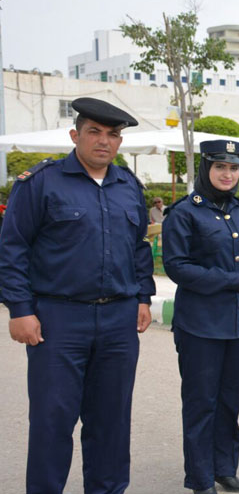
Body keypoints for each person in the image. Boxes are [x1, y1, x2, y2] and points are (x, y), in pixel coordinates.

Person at [0, 97, 155, 493]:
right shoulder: (40, 182)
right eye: (94, 132)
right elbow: (12, 247)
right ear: (75, 135)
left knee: (111, 420)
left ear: (120, 142)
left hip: (118, 320)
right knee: (53, 420)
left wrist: (143, 296)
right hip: (59, 319)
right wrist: (19, 309)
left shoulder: (128, 186)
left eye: (112, 135)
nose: (104, 141)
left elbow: (139, 247)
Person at [162, 140, 239, 494]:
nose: (228, 174)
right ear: (205, 168)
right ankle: (199, 478)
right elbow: (176, 267)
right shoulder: (184, 213)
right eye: (220, 167)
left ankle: (225, 468)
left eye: (234, 168)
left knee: (229, 401)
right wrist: (229, 281)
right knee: (201, 404)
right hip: (201, 326)